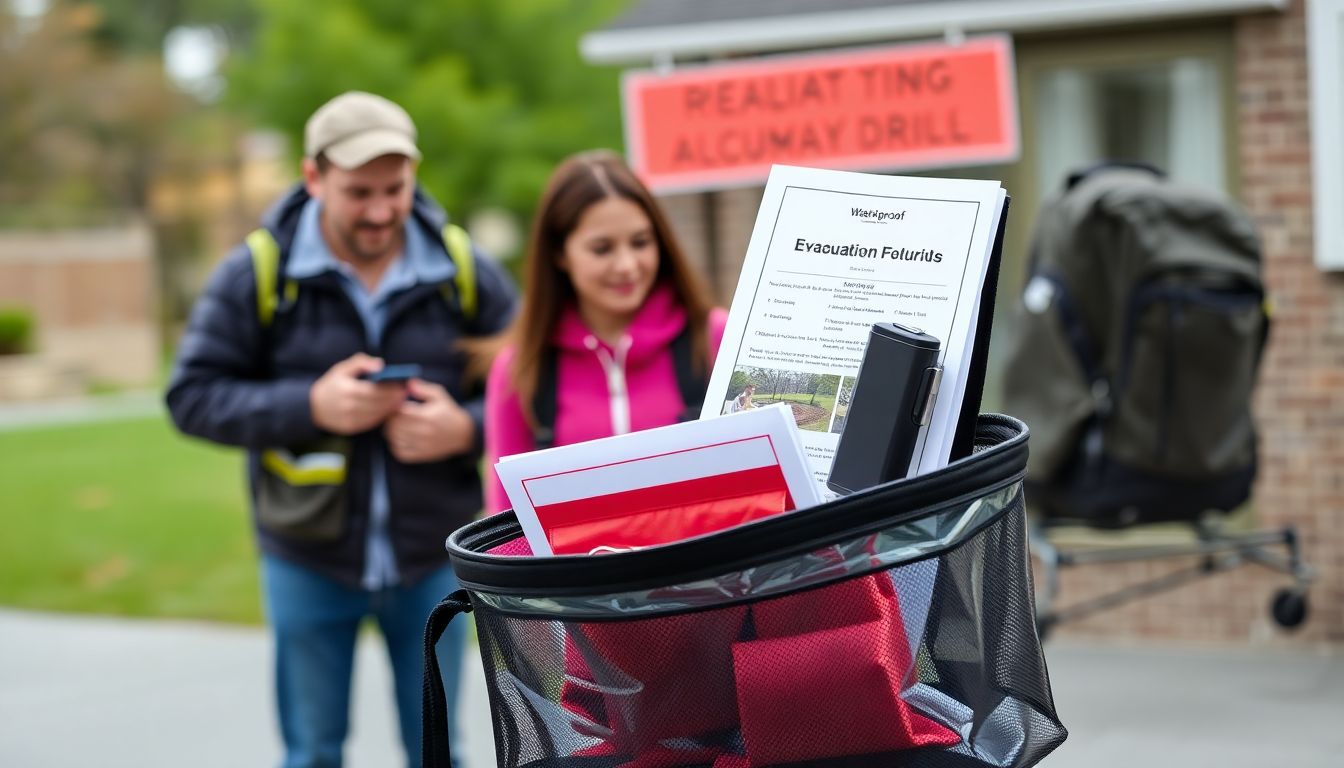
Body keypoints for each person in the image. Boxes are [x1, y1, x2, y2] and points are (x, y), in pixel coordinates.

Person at [166, 91, 515, 768]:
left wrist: (464, 429)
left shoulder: (463, 268)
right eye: (360, 192)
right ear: (312, 177)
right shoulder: (257, 274)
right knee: (313, 752)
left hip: (431, 557)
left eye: (397, 188)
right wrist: (311, 406)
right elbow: (191, 395)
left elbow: (533, 388)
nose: (383, 210)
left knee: (439, 750)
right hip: (306, 557)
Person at [483, 149, 728, 515]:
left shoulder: (715, 339)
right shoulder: (520, 369)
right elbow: (506, 527)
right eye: (602, 249)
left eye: (641, 242)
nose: (627, 265)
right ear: (560, 254)